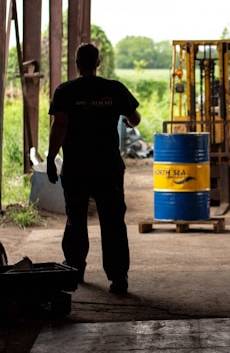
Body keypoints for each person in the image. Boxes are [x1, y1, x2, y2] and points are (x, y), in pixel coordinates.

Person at [46, 43, 141, 295]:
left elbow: (60, 126)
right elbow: (135, 118)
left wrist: (50, 158)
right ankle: (118, 277)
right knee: (113, 222)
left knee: (75, 220)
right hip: (108, 168)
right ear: (98, 62)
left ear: (76, 63)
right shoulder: (114, 89)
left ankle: (75, 269)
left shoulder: (65, 91)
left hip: (76, 168)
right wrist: (126, 120)